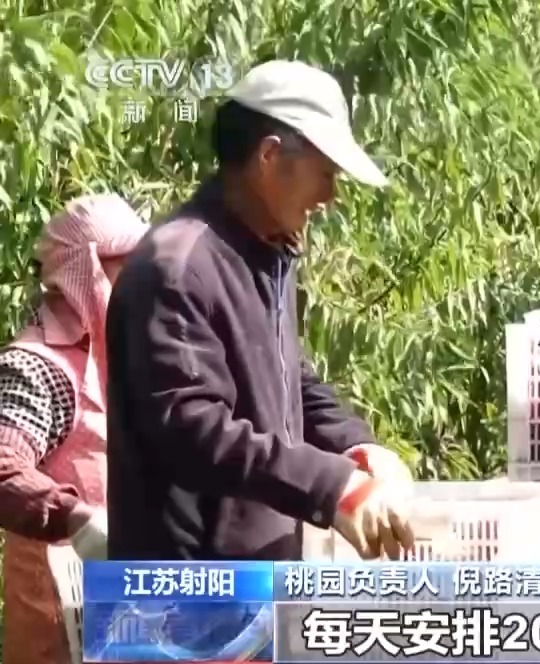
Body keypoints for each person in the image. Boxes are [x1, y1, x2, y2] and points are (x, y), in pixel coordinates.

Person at [105, 60, 417, 563]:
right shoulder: (179, 266)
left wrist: (357, 448)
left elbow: (288, 380)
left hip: (255, 578)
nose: (331, 196)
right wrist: (331, 486)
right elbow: (191, 426)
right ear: (270, 156)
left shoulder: (265, 254)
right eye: (325, 174)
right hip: (187, 587)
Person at [1, 194, 149, 664]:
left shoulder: (121, 359)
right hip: (57, 632)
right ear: (86, 273)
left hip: (132, 619)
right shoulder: (38, 367)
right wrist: (74, 517)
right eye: (128, 268)